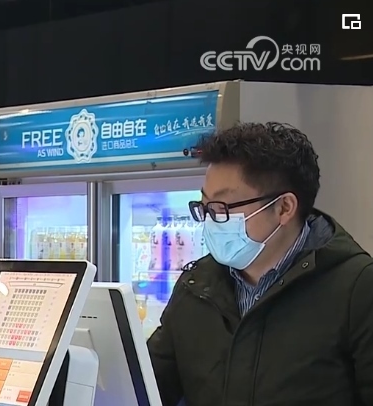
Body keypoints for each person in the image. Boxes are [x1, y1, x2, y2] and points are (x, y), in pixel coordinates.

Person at [148, 122, 373, 406]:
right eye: (205, 207)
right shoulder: (197, 286)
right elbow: (147, 386)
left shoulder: (357, 288)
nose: (210, 221)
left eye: (222, 207)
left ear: (284, 208)